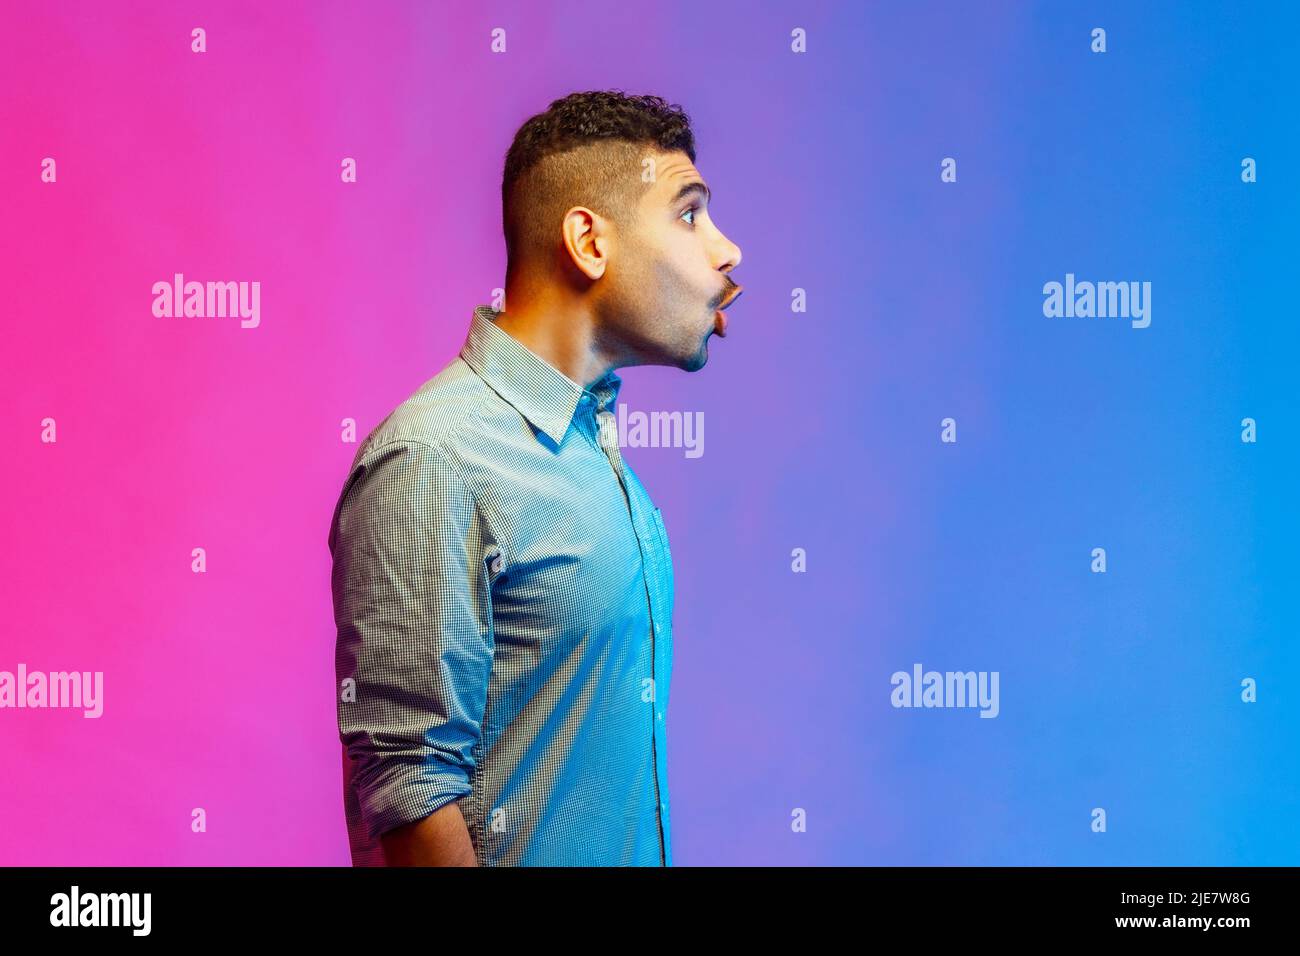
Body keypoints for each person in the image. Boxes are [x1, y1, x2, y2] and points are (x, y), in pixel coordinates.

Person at [328, 90, 743, 866]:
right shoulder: (433, 458)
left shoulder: (599, 460)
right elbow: (408, 795)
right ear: (588, 241)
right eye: (689, 214)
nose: (727, 252)